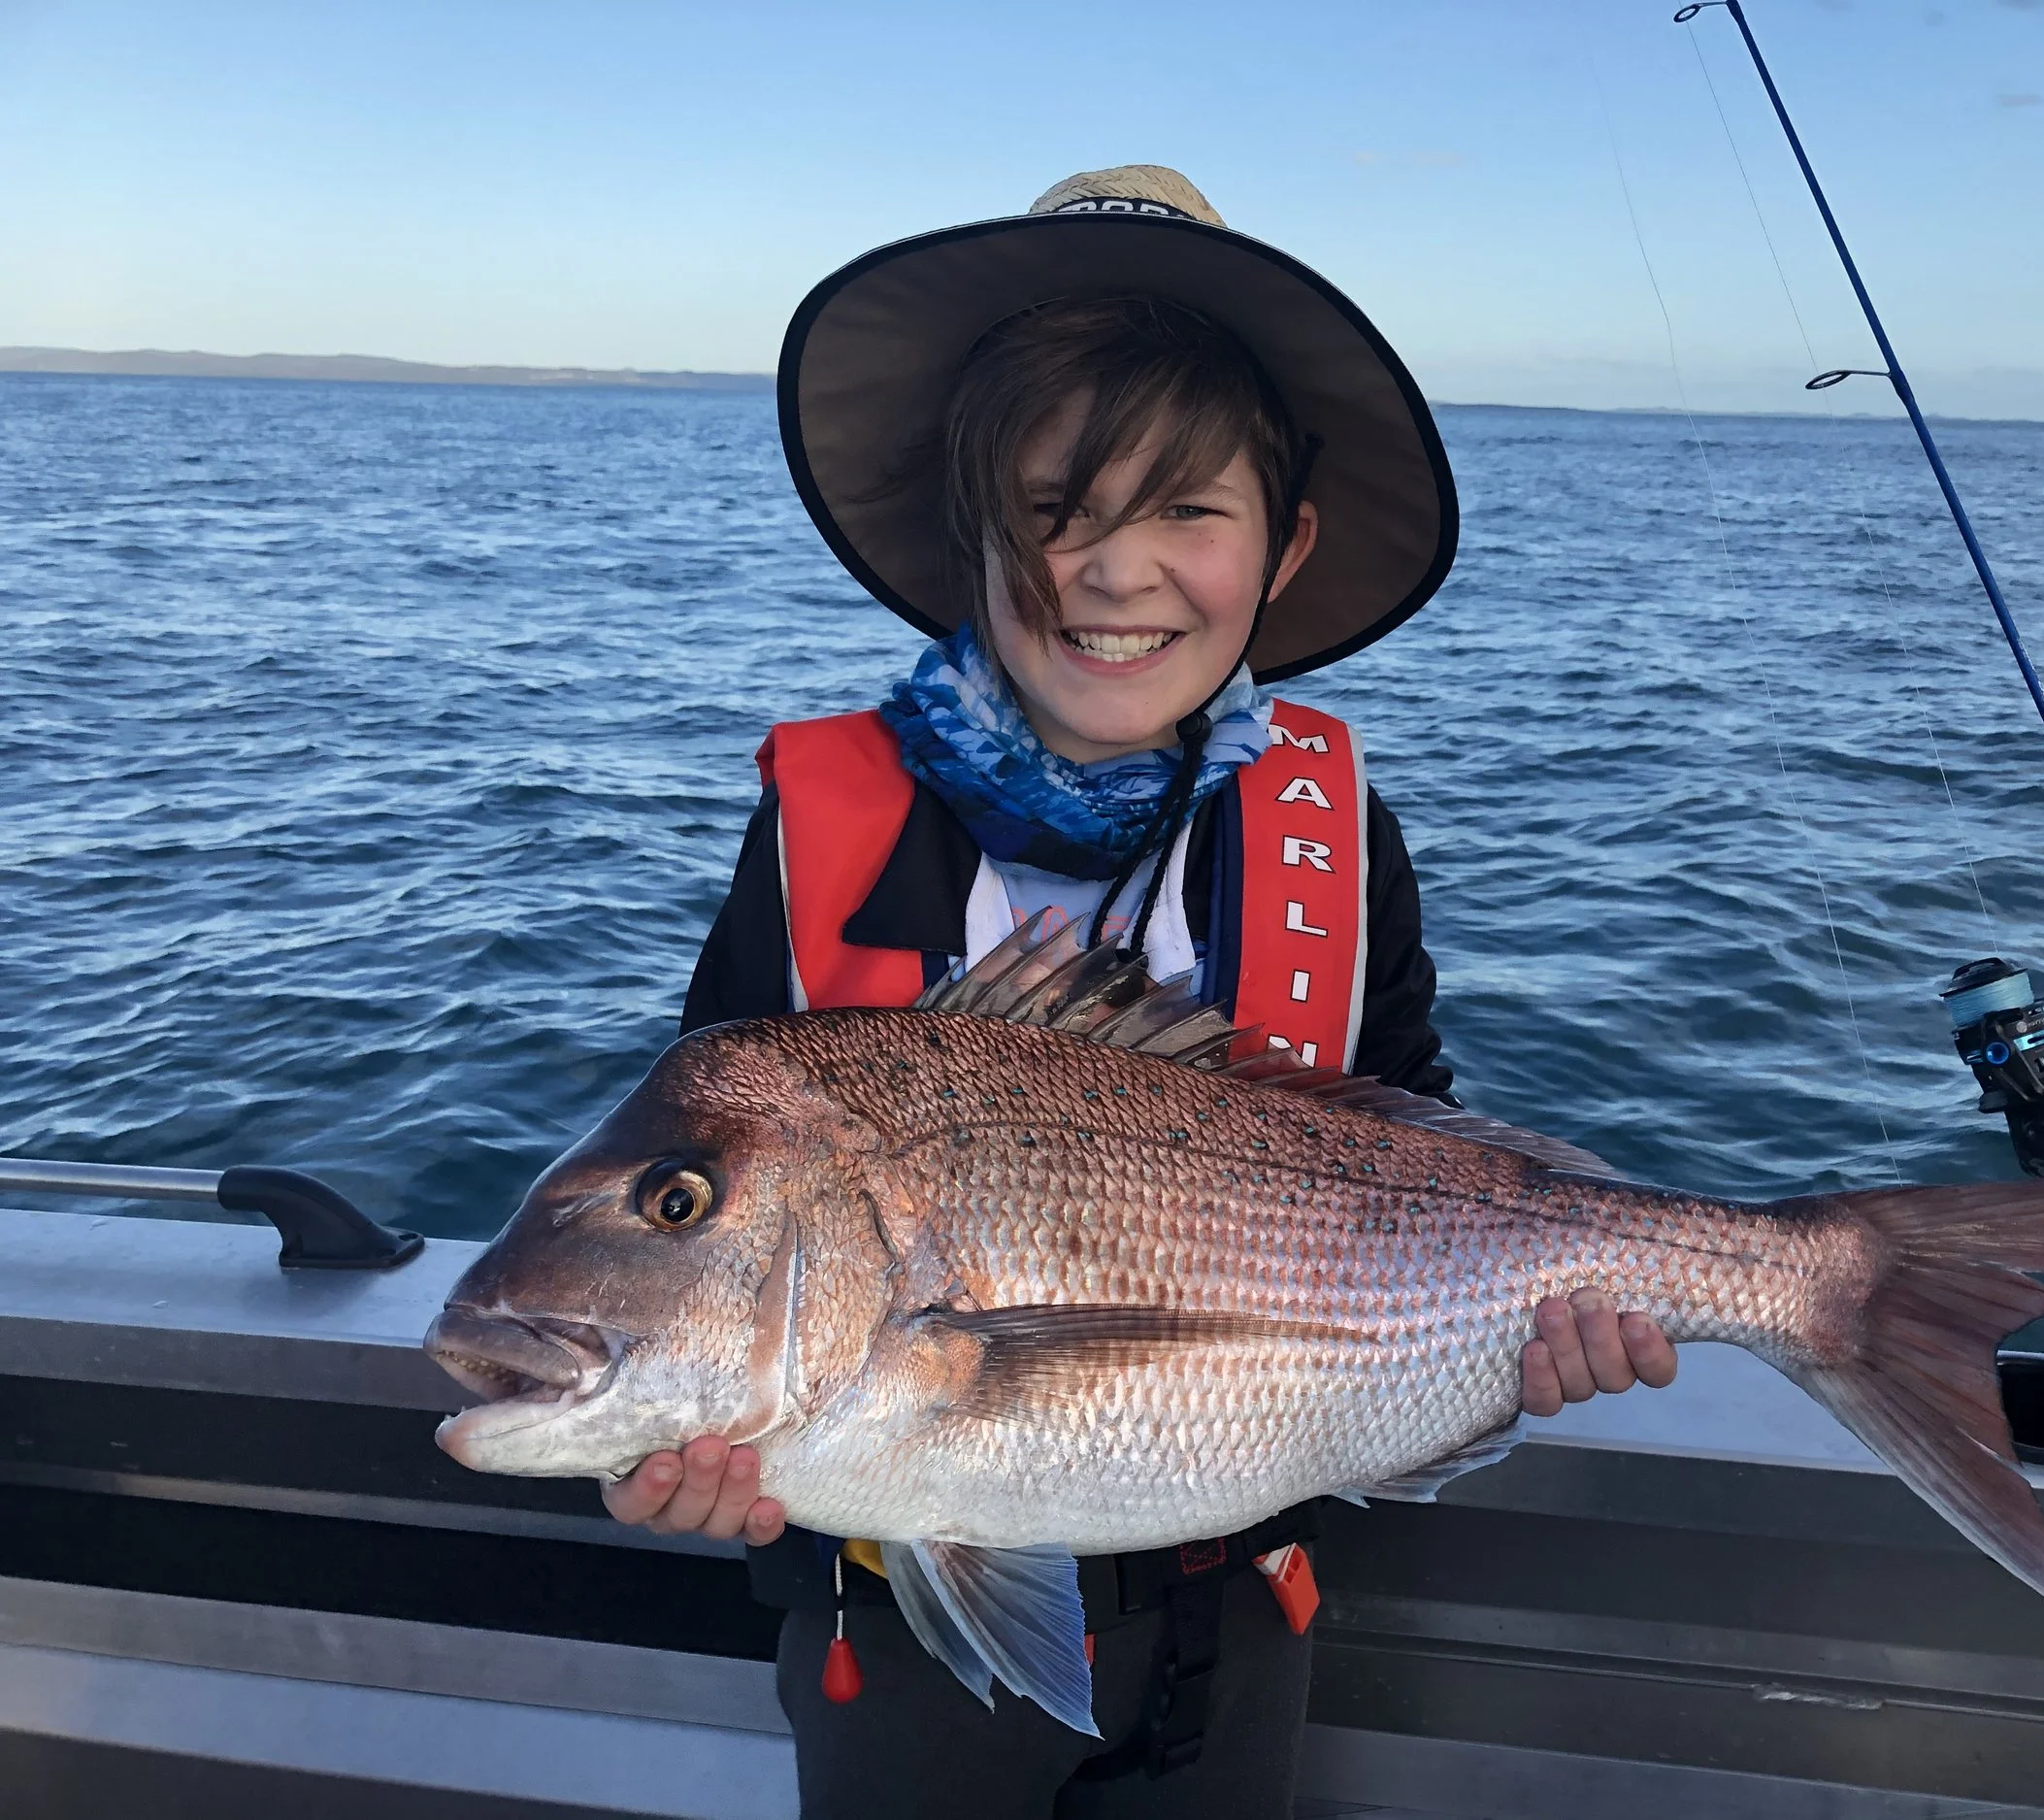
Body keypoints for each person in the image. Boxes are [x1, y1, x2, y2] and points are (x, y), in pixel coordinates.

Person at [603, 166, 1678, 1817]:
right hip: (888, 1628)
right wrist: (662, 1433)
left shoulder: (1336, 827)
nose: (1116, 573)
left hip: (1246, 1608)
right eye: (1053, 510)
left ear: (1284, 543)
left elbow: (1409, 1132)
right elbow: (707, 1164)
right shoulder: (816, 821)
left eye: (1187, 511)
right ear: (973, 533)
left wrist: (1542, 1316)